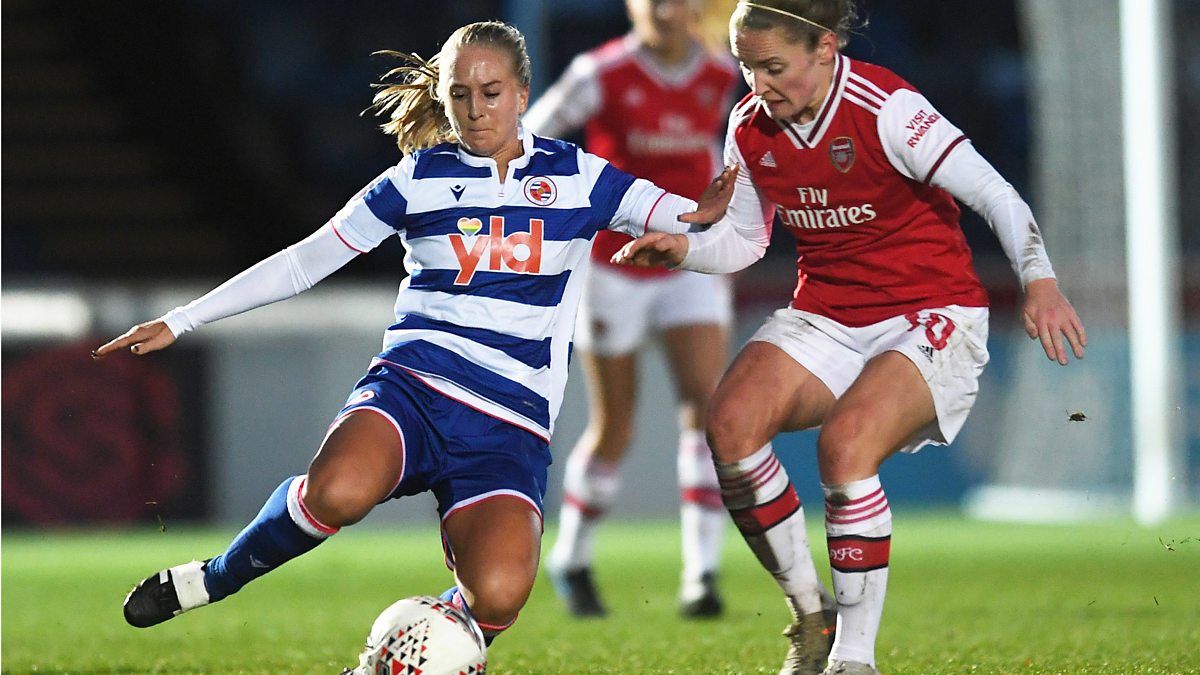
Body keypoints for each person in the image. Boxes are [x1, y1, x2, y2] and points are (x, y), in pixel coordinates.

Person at [92, 20, 735, 652]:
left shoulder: (581, 178)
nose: (476, 109)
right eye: (460, 93)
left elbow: (695, 219)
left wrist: (726, 202)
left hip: (510, 424)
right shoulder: (415, 178)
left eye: (491, 92)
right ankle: (216, 577)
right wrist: (182, 319)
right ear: (444, 96)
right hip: (414, 390)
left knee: (502, 595)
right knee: (335, 493)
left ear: (521, 92)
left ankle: (411, 649)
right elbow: (303, 261)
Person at [612, 1, 1087, 673]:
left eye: (775, 67)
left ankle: (855, 662)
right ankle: (814, 618)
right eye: (747, 68)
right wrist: (681, 250)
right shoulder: (750, 125)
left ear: (825, 50)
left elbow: (995, 193)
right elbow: (745, 240)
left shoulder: (884, 106)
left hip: (931, 312)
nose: (759, 86)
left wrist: (1038, 279)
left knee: (846, 447)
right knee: (731, 422)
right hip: (831, 314)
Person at [522, 0, 741, 619]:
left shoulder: (724, 74)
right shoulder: (601, 72)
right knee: (616, 425)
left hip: (688, 262)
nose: (667, 11)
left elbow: (739, 153)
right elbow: (534, 134)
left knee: (707, 411)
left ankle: (701, 576)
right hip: (613, 268)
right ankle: (572, 555)